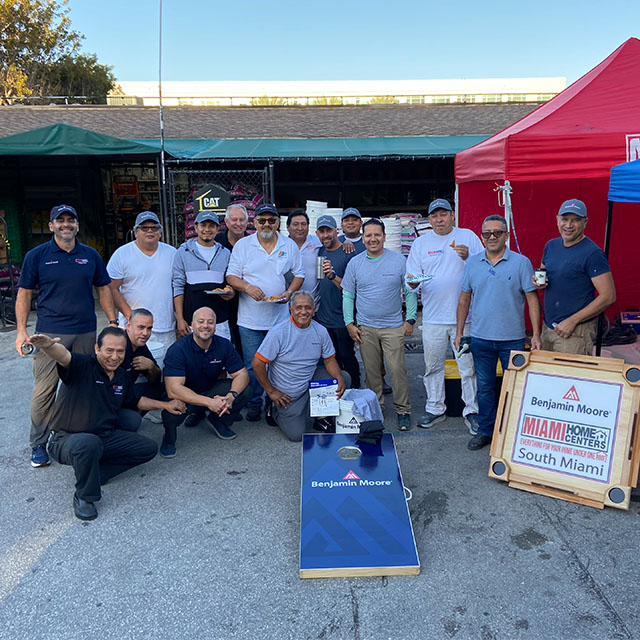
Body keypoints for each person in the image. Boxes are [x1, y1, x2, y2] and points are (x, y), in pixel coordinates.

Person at [26, 327, 185, 521]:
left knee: (147, 448)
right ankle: (84, 496)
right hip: (66, 439)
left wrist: (165, 405)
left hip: (104, 435)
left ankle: (97, 473)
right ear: (97, 349)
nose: (114, 356)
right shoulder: (83, 365)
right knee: (88, 443)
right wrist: (48, 347)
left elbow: (134, 401)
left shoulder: (121, 376)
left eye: (120, 351)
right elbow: (63, 356)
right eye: (109, 350)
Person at [15, 204, 117, 468]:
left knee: (83, 386)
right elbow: (24, 293)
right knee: (45, 390)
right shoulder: (36, 256)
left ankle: (80, 433)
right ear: (51, 226)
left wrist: (113, 321)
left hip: (85, 330)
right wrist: (21, 331)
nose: (66, 224)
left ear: (77, 225)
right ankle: (38, 444)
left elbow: (104, 289)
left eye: (71, 220)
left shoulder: (90, 255)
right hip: (49, 333)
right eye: (60, 221)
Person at [455, 215, 541, 451]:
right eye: (487, 234)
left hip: (512, 339)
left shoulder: (521, 263)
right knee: (485, 388)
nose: (491, 237)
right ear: (482, 237)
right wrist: (460, 332)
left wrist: (536, 335)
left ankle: (514, 434)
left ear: (506, 235)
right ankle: (485, 431)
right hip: (481, 339)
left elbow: (532, 300)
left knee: (515, 389)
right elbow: (464, 300)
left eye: (497, 233)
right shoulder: (473, 263)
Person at [406, 198, 484, 433]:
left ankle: (472, 411)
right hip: (432, 318)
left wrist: (469, 257)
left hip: (465, 318)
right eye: (434, 216)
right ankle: (435, 407)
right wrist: (415, 281)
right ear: (429, 220)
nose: (439, 220)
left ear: (452, 215)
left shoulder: (468, 236)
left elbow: (484, 268)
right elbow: (410, 281)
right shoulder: (421, 244)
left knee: (468, 368)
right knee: (433, 366)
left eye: (443, 215)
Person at [226, 203, 305, 422]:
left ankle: (273, 404)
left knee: (278, 363)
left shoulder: (288, 245)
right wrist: (247, 288)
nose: (267, 224)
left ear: (278, 222)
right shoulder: (243, 245)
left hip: (279, 317)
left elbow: (299, 275)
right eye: (262, 220)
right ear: (255, 222)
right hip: (250, 319)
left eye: (271, 220)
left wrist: (289, 292)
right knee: (253, 363)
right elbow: (231, 276)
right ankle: (253, 403)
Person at [341, 218, 417, 430]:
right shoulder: (355, 263)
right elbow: (348, 295)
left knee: (397, 370)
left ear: (384, 237)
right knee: (372, 373)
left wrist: (410, 319)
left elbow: (410, 291)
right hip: (366, 327)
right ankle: (376, 410)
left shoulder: (399, 260)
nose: (373, 239)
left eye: (377, 235)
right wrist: (350, 323)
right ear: (362, 238)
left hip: (393, 326)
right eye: (368, 235)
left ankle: (403, 410)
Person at [252, 291, 347, 442]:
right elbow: (257, 364)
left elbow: (329, 360)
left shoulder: (320, 331)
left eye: (308, 307)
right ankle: (274, 409)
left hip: (309, 383)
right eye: (299, 307)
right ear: (291, 309)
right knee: (296, 435)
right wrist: (271, 392)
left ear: (314, 309)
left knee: (342, 378)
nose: (303, 312)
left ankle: (321, 415)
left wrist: (339, 377)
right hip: (287, 395)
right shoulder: (279, 332)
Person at [161, 307, 251, 457]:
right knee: (172, 409)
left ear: (215, 326)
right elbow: (173, 389)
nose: (205, 326)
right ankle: (169, 439)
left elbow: (242, 374)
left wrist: (230, 396)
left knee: (245, 390)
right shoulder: (178, 349)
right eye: (200, 321)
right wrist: (209, 403)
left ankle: (217, 420)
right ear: (192, 325)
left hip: (211, 392)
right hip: (186, 396)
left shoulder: (223, 345)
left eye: (210, 322)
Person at [533, 199, 616, 355]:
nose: (569, 225)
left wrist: (572, 321)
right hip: (549, 327)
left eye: (575, 220)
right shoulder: (551, 246)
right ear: (557, 219)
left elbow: (608, 296)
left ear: (585, 222)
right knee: (546, 377)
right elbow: (545, 273)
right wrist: (539, 282)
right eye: (565, 219)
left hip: (575, 332)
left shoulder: (593, 254)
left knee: (569, 378)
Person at [107, 211, 177, 361]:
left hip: (166, 326)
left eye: (154, 227)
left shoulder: (172, 253)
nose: (150, 231)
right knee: (133, 370)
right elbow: (111, 288)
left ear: (160, 232)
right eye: (144, 228)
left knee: (165, 370)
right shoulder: (122, 254)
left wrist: (180, 318)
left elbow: (179, 287)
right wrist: (129, 316)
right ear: (135, 232)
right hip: (134, 329)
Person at [172, 211, 235, 341]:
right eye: (203, 225)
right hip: (192, 322)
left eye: (211, 226)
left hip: (220, 321)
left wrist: (231, 293)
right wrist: (180, 318)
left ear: (218, 229)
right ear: (196, 227)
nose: (207, 229)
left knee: (220, 358)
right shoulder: (183, 252)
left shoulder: (226, 253)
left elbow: (230, 284)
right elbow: (177, 286)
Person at [315, 214, 361, 388]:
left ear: (336, 231)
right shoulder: (320, 250)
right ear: (317, 233)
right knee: (330, 360)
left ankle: (355, 393)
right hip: (323, 318)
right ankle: (335, 396)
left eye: (329, 230)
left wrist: (333, 276)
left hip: (342, 318)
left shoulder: (349, 253)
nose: (326, 235)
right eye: (322, 231)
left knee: (347, 357)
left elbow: (351, 288)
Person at [118, 308, 164, 432]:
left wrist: (151, 366)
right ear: (128, 325)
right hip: (109, 398)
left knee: (160, 388)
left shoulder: (140, 345)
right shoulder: (118, 345)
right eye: (141, 327)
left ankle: (131, 418)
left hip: (125, 393)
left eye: (149, 328)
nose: (145, 333)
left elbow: (155, 380)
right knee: (132, 420)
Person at [215, 203, 250, 354]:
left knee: (243, 340)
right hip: (220, 299)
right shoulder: (216, 242)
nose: (238, 224)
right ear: (226, 222)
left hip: (246, 299)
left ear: (248, 222)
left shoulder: (253, 243)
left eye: (242, 220)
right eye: (234, 220)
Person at [286, 210, 323, 304]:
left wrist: (347, 242)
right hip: (288, 303)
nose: (300, 228)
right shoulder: (281, 245)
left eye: (303, 224)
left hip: (314, 303)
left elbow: (334, 241)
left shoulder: (317, 241)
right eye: (295, 224)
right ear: (287, 227)